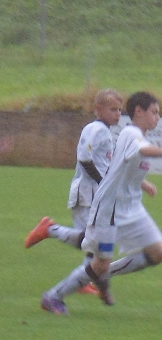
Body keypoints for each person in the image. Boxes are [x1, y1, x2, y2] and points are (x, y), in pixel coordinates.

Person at [40, 91, 162, 315]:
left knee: (159, 253)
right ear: (139, 112)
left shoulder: (135, 137)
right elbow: (142, 150)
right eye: (154, 112)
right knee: (99, 263)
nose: (158, 117)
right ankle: (53, 296)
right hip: (109, 210)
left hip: (133, 208)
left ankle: (100, 273)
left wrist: (143, 184)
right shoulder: (131, 133)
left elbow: (120, 168)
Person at [24, 89, 131, 294]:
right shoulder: (96, 129)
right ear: (98, 109)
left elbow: (102, 162)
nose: (118, 114)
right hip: (87, 193)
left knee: (96, 240)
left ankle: (84, 279)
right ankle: (50, 230)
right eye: (113, 109)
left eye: (119, 110)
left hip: (95, 194)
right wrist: (103, 182)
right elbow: (84, 157)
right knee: (94, 242)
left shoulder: (105, 131)